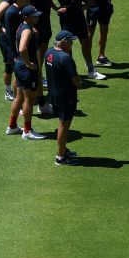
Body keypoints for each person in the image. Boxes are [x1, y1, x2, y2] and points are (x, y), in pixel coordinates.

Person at [50, 0, 106, 80]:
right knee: (66, 45)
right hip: (66, 19)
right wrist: (56, 8)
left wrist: (87, 2)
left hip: (79, 16)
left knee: (85, 42)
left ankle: (91, 69)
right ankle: (70, 72)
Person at [6, 5, 46, 140]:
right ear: (26, 17)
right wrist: (29, 64)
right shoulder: (27, 30)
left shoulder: (22, 26)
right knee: (29, 100)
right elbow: (22, 49)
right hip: (26, 69)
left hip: (19, 65)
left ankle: (12, 127)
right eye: (34, 15)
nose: (37, 17)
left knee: (19, 97)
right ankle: (27, 131)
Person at [44, 31, 82, 165]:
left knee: (62, 124)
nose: (72, 43)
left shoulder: (49, 52)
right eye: (70, 41)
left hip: (54, 96)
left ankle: (63, 150)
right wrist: (79, 83)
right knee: (64, 126)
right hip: (66, 98)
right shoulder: (65, 58)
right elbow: (75, 80)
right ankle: (60, 157)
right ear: (63, 41)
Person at [0, 0, 23, 100]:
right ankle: (9, 91)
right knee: (11, 66)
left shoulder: (14, 1)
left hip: (13, 37)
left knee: (14, 65)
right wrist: (3, 31)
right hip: (7, 40)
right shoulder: (6, 3)